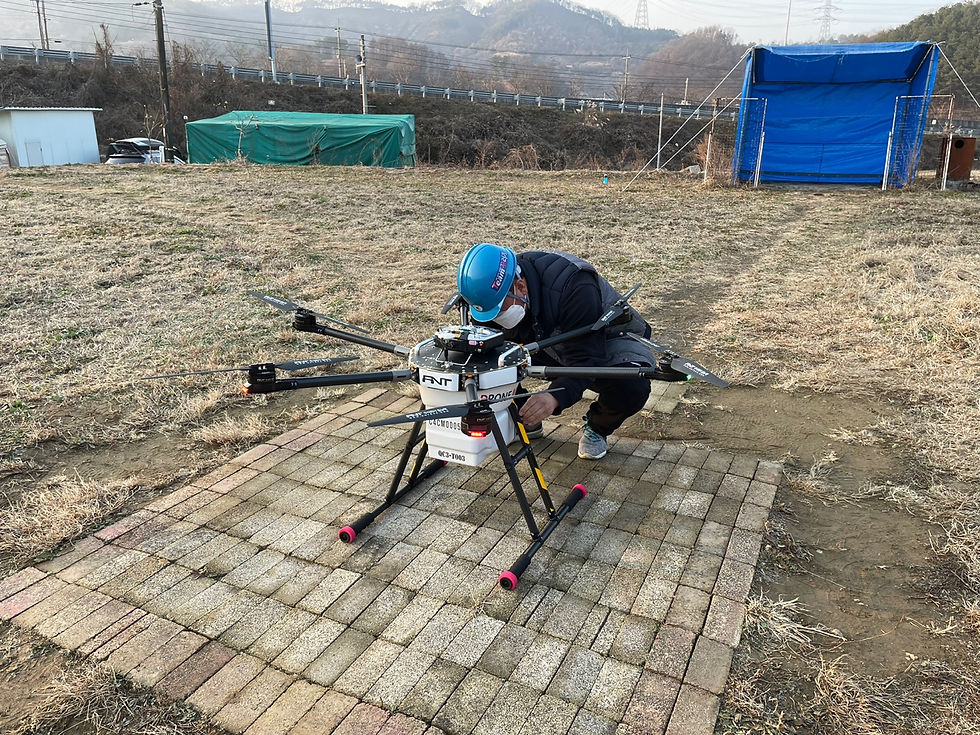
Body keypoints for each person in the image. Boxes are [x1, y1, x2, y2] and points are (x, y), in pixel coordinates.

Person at [456, 243, 656, 460]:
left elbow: (586, 359)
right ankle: (523, 418)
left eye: (499, 310)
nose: (495, 318)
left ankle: (597, 428)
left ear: (521, 287)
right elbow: (486, 352)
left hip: (603, 340)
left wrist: (554, 397)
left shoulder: (575, 286)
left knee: (632, 385)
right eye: (489, 314)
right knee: (489, 364)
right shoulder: (487, 295)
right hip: (544, 340)